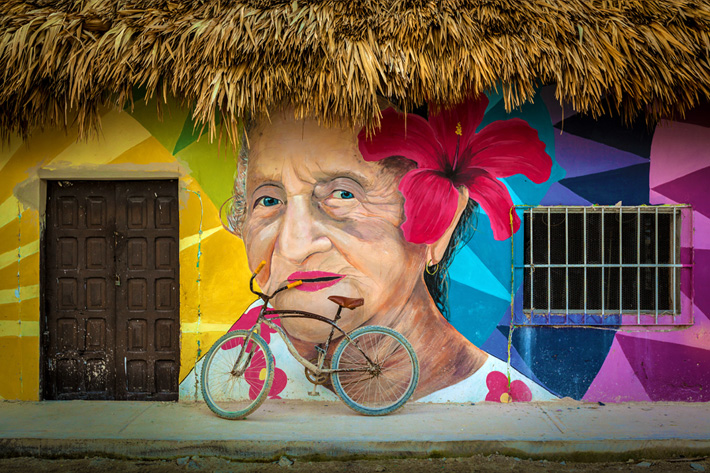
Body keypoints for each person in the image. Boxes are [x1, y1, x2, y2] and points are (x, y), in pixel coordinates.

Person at [181, 95, 556, 403]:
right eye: (267, 201)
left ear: (441, 224)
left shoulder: (511, 402)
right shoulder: (221, 363)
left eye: (343, 194)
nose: (293, 246)